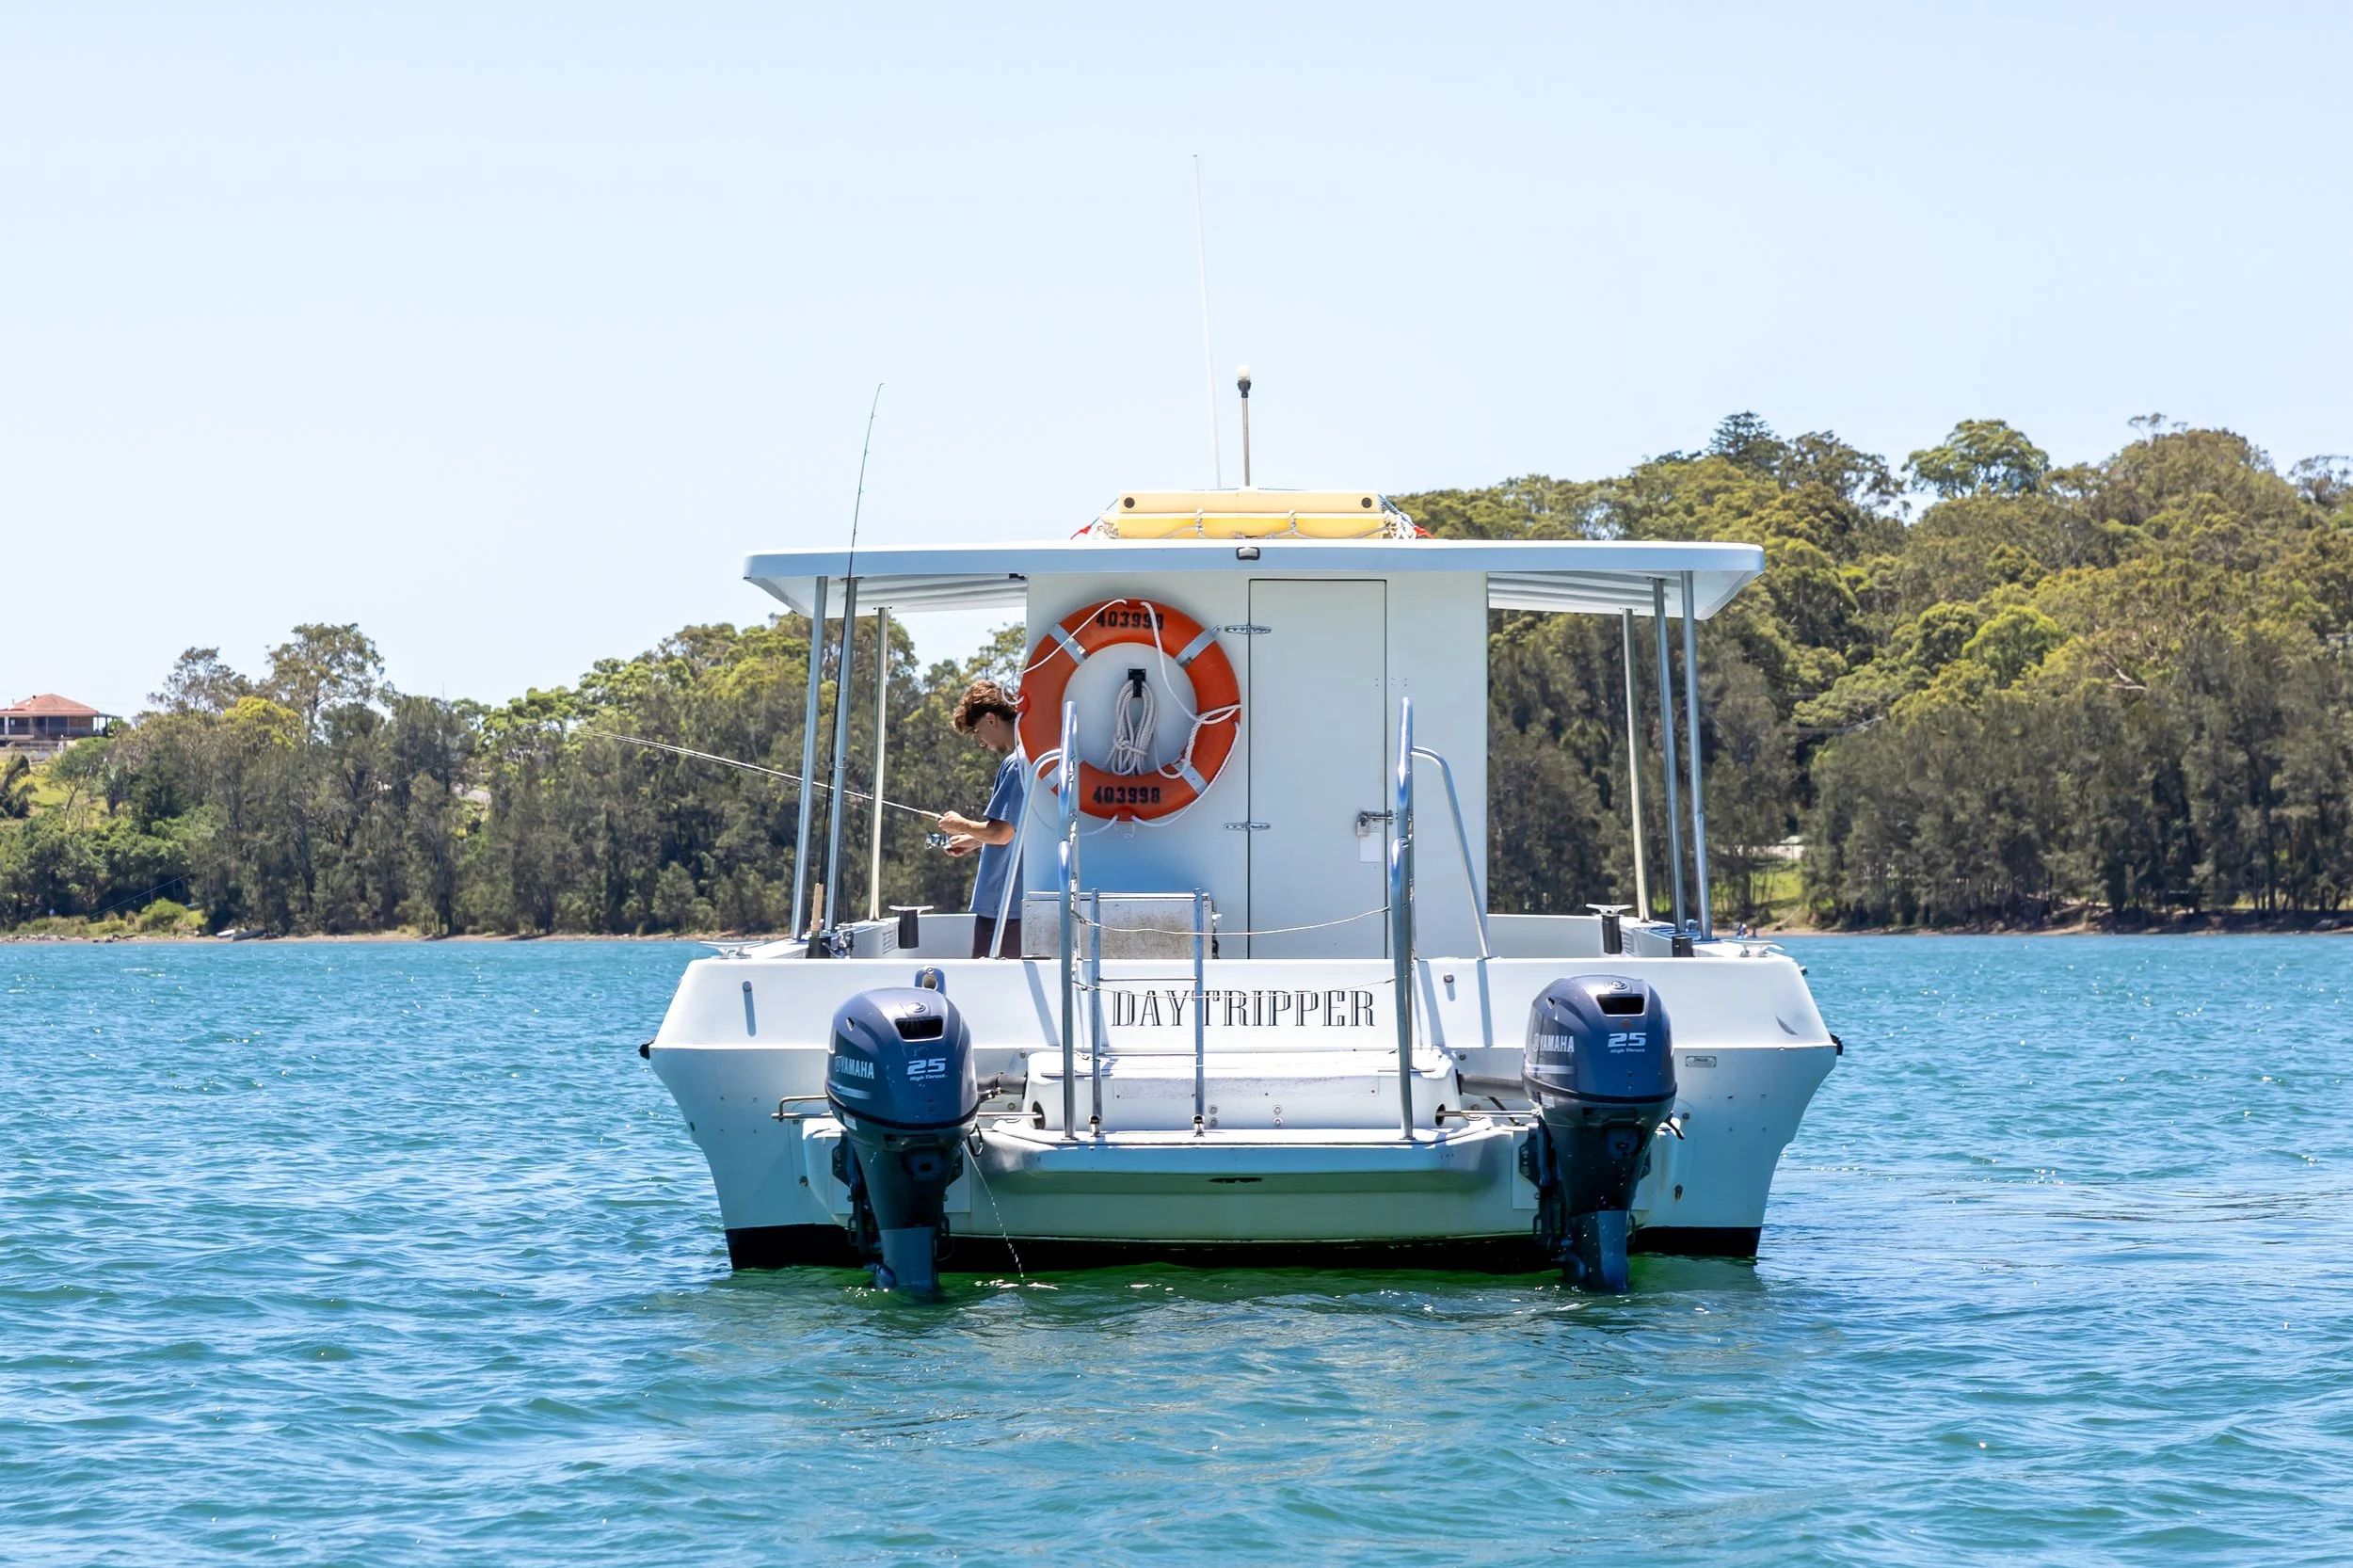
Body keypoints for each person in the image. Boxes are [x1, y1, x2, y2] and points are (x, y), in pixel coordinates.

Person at [936, 679, 1028, 958]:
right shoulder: (1037, 757)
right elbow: (1020, 829)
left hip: (1005, 904)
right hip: (1020, 902)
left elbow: (1002, 834)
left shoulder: (1016, 763)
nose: (981, 742)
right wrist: (975, 839)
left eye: (978, 732)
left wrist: (960, 823)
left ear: (991, 719)